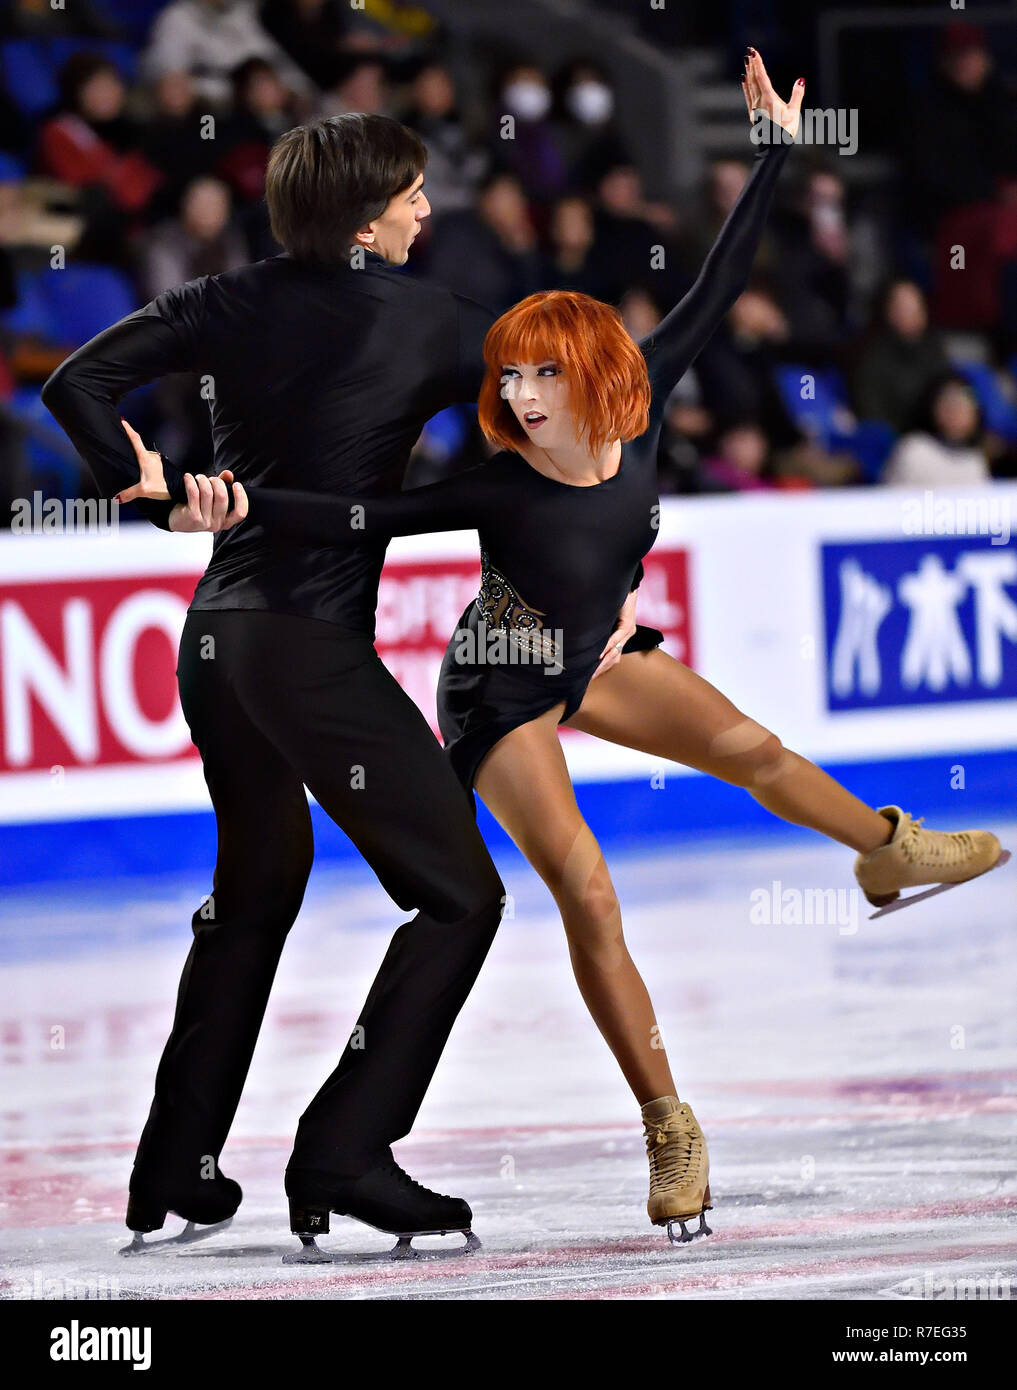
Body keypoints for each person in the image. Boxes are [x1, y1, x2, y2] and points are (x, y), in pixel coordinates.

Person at [174, 55, 998, 1241]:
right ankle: (669, 1120)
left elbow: (719, 277)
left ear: (598, 376)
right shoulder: (498, 484)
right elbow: (365, 517)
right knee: (589, 890)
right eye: (505, 375)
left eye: (537, 374)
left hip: (595, 653)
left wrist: (774, 148)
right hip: (501, 681)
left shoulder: (647, 395)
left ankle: (887, 849)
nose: (512, 390)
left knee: (757, 752)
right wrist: (239, 504)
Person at [42, 111, 529, 1256]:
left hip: (217, 643)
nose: (425, 209)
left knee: (256, 895)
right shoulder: (428, 319)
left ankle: (176, 1164)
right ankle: (346, 1149)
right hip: (306, 647)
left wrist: (147, 487)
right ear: (366, 216)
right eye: (410, 193)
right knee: (461, 895)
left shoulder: (227, 297)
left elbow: (76, 384)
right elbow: (611, 376)